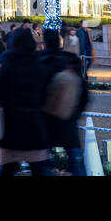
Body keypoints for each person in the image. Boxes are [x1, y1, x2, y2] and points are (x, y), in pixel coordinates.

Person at [0, 27, 52, 176]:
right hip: (35, 125)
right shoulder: (40, 64)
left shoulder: (8, 64)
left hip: (11, 126)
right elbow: (47, 94)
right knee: (40, 169)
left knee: (8, 169)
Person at [40, 28, 89, 175]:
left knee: (42, 162)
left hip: (45, 120)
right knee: (75, 159)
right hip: (68, 119)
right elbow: (83, 92)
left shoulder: (39, 60)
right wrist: (75, 113)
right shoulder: (70, 59)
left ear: (44, 42)